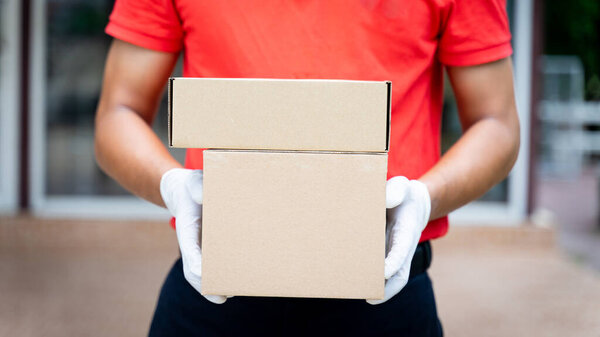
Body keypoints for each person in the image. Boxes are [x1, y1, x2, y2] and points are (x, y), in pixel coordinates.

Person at [94, 0, 519, 336]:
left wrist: (423, 200)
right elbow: (118, 112)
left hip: (383, 291)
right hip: (216, 291)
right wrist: (174, 187)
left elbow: (497, 124)